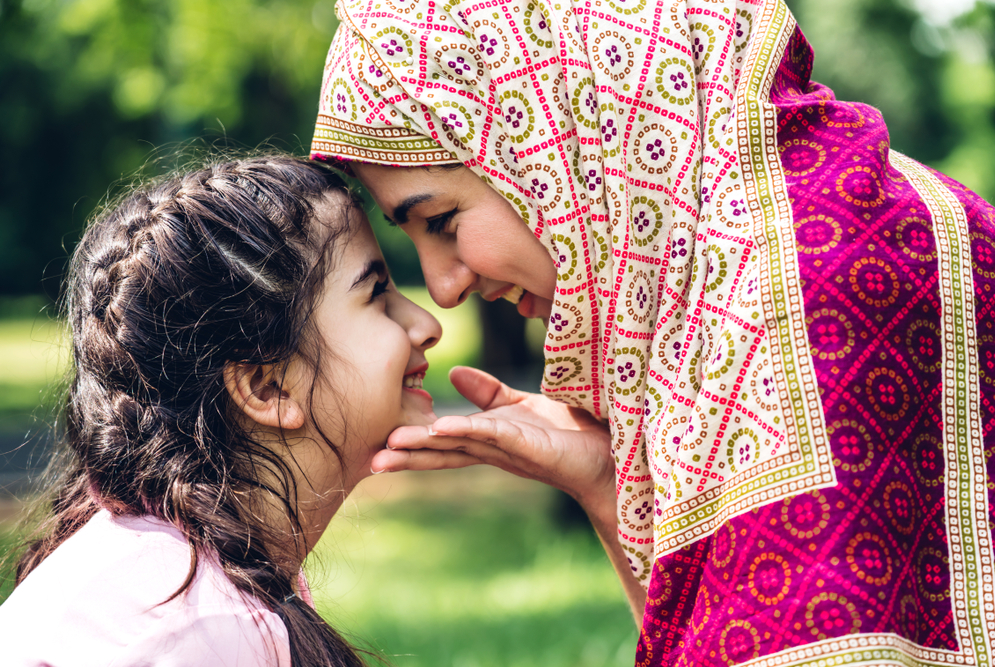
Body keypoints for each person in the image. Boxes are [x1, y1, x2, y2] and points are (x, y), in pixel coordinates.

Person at [310, 0, 995, 664]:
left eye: (443, 223)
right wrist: (606, 483)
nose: (443, 287)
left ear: (553, 134)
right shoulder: (720, 268)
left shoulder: (808, 275)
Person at [0, 154, 605, 666]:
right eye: (376, 295)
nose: (427, 322)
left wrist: (596, 479)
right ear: (267, 389)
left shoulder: (181, 576)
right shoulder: (191, 629)